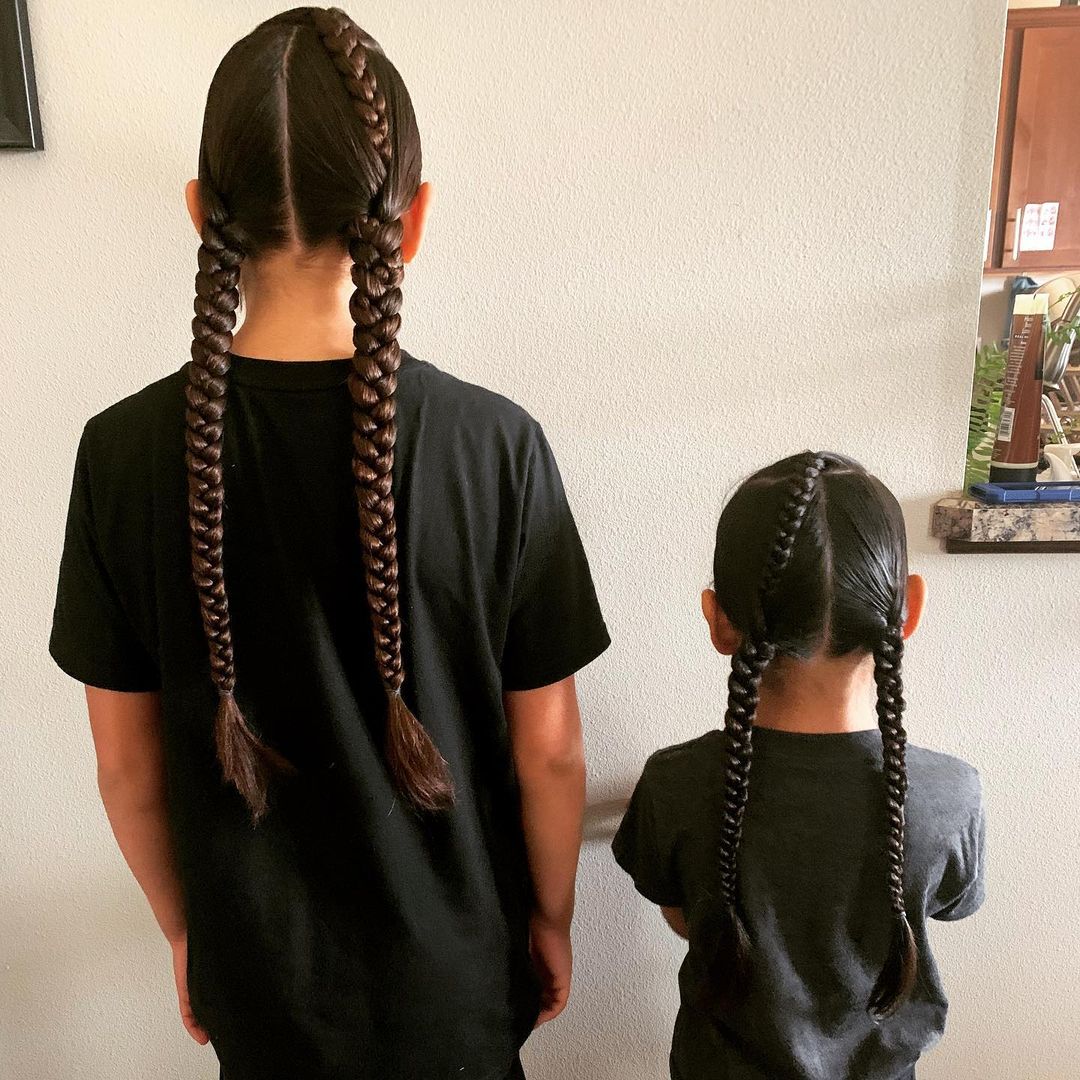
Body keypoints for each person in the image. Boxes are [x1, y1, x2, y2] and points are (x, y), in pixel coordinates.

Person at [49, 9, 608, 1080]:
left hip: (261, 999)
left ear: (201, 214)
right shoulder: (496, 446)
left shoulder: (118, 455)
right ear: (414, 221)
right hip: (459, 984)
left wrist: (183, 933)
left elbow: (125, 770)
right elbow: (550, 752)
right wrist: (550, 917)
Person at [613, 452, 985, 1080]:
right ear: (908, 611)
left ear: (719, 620)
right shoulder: (951, 794)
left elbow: (687, 920)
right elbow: (940, 910)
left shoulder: (674, 784)